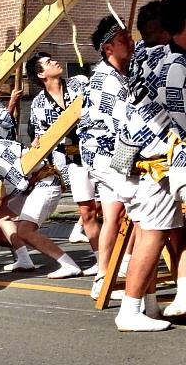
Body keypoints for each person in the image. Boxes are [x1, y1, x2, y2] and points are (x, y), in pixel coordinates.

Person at [112, 0, 186, 332]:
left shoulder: (140, 56)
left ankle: (150, 305)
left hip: (135, 158)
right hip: (158, 161)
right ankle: (129, 310)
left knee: (149, 232)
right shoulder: (173, 62)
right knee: (154, 234)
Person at [0, 120, 82, 278]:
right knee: (2, 216)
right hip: (31, 188)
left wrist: (1, 196)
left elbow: (19, 182)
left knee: (25, 230)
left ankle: (69, 265)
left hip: (44, 184)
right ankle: (24, 259)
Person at [77, 16, 135, 300]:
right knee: (140, 204)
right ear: (109, 47)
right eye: (124, 39)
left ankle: (104, 275)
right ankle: (125, 269)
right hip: (104, 154)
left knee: (114, 214)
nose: (131, 42)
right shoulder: (106, 80)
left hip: (112, 153)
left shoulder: (121, 73)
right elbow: (123, 124)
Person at [26, 52, 88, 256]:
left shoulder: (79, 84)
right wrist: (37, 142)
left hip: (95, 150)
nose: (55, 62)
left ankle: (82, 232)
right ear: (41, 74)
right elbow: (39, 136)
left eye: (52, 59)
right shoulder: (38, 104)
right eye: (48, 62)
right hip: (68, 160)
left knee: (105, 204)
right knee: (88, 207)